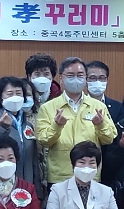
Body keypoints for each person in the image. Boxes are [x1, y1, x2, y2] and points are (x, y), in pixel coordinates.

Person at [36, 56, 118, 186]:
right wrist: (56, 126)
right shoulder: (48, 107)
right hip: (60, 176)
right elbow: (43, 140)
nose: (76, 79)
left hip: (90, 174)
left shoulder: (98, 106)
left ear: (85, 78)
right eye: (70, 75)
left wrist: (100, 125)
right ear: (61, 78)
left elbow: (109, 139)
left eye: (80, 75)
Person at [0, 76, 44, 192]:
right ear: (0, 98)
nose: (15, 98)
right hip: (0, 187)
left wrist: (37, 190)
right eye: (10, 94)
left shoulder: (28, 125)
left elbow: (34, 160)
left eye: (18, 93)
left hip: (27, 186)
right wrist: (2, 128)